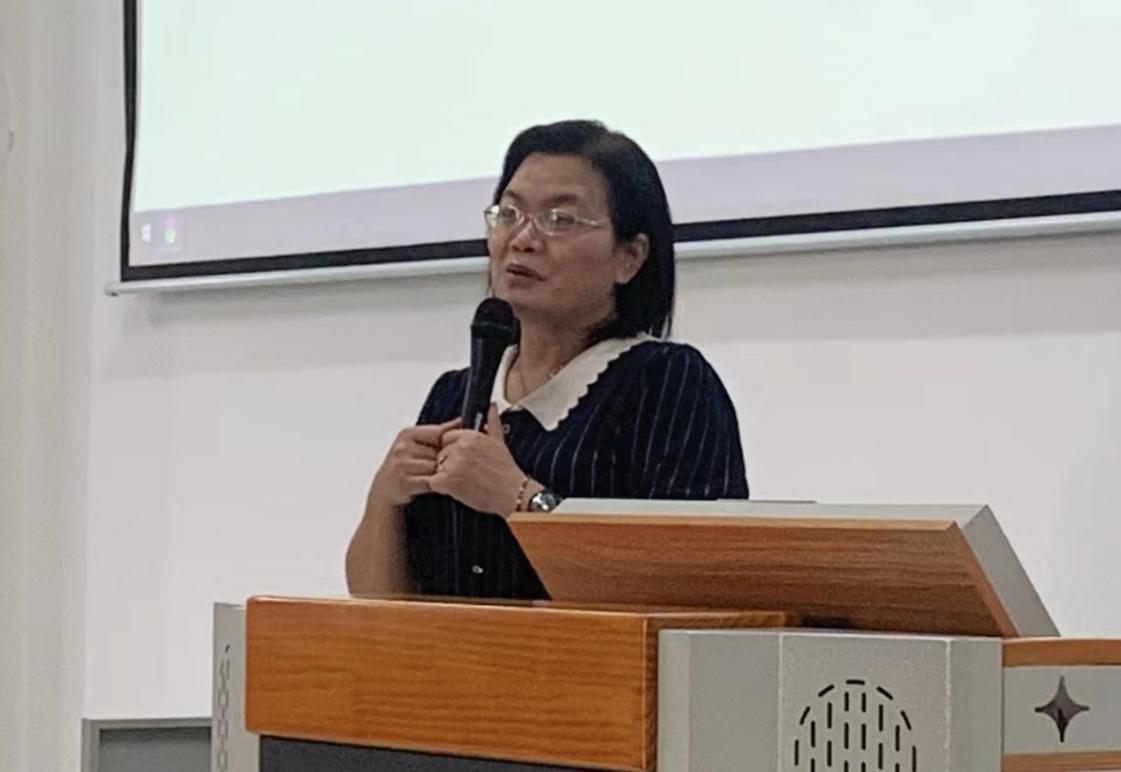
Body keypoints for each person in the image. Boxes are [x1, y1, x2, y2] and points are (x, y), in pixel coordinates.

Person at [346, 119, 748, 599]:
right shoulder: (455, 394)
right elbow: (378, 606)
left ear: (630, 257)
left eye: (560, 219)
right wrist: (385, 496)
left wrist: (519, 497)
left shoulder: (668, 384)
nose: (522, 239)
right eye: (509, 213)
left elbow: (692, 585)